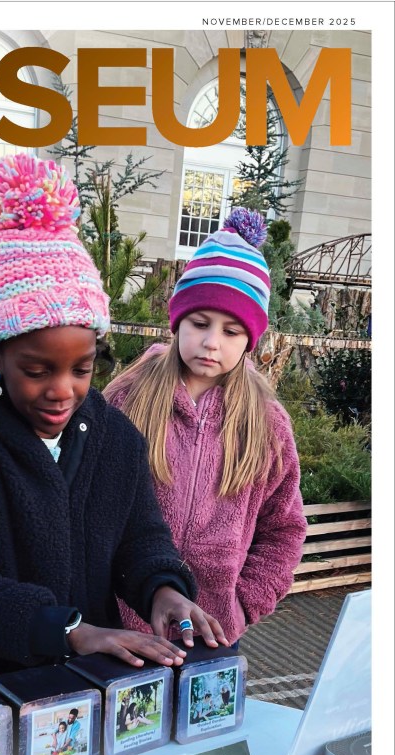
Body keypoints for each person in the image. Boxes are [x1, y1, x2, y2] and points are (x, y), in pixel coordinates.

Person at [0, 153, 228, 688]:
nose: (63, 391)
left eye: (81, 369)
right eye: (36, 370)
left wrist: (164, 591)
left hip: (85, 692)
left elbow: (140, 540)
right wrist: (70, 631)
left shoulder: (115, 438)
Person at [103, 209, 307, 645]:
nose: (212, 341)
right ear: (178, 321)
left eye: (232, 331)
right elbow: (91, 505)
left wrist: (243, 604)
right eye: (199, 324)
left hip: (214, 636)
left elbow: (283, 529)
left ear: (250, 340)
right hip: (124, 631)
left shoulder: (266, 424)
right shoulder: (128, 398)